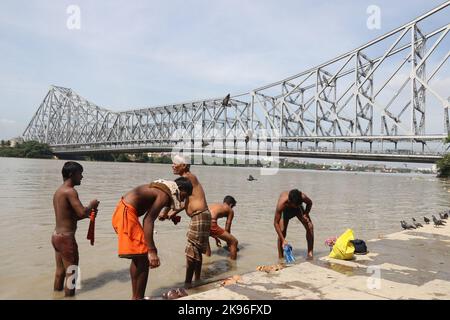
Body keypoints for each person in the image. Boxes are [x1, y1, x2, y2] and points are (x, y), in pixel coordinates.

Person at [111, 177, 193, 300]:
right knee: (144, 257)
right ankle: (138, 297)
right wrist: (152, 251)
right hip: (127, 213)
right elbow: (148, 220)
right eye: (184, 195)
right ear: (179, 189)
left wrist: (170, 216)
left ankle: (136, 297)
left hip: (123, 211)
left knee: (138, 257)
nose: (184, 199)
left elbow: (157, 213)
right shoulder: (164, 194)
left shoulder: (164, 191)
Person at [160, 155, 211, 287]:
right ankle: (197, 281)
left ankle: (187, 284)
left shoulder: (187, 177)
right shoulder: (189, 179)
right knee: (197, 251)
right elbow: (185, 203)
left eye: (175, 163)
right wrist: (173, 213)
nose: (172, 165)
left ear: (184, 165)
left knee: (191, 251)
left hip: (199, 216)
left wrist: (164, 212)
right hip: (201, 215)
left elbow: (173, 195)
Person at [52, 161, 100, 297]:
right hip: (66, 238)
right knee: (72, 273)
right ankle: (70, 297)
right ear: (72, 174)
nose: (82, 177)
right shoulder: (70, 191)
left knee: (60, 271)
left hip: (56, 236)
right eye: (80, 174)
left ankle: (56, 295)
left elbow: (69, 217)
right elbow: (81, 212)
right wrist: (91, 205)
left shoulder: (59, 191)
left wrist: (87, 215)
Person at [274, 189, 314, 260]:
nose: (295, 206)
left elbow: (310, 203)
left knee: (310, 227)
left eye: (298, 204)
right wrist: (283, 240)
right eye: (295, 205)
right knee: (282, 231)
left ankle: (310, 253)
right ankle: (280, 257)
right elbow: (275, 223)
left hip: (298, 210)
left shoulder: (302, 197)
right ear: (289, 201)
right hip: (285, 211)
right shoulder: (282, 203)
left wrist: (305, 214)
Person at [205, 196, 239, 260]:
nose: (232, 208)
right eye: (233, 207)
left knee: (208, 252)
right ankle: (233, 265)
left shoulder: (215, 205)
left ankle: (207, 265)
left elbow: (208, 227)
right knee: (234, 242)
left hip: (201, 223)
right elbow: (227, 228)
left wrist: (216, 238)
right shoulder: (230, 210)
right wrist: (229, 242)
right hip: (211, 224)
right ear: (231, 204)